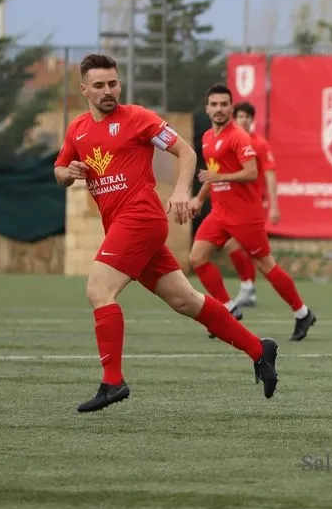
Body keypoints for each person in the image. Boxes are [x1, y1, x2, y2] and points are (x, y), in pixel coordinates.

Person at [54, 55, 279, 413]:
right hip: (123, 227)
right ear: (84, 90)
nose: (108, 90)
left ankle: (112, 382)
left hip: (140, 219)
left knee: (99, 289)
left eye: (113, 83)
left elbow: (185, 151)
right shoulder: (78, 129)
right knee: (186, 301)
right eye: (99, 85)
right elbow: (60, 168)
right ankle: (258, 349)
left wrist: (178, 192)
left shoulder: (138, 118)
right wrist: (68, 173)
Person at [188, 85, 317, 342]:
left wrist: (219, 177)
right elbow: (213, 173)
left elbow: (251, 173)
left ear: (231, 108)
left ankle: (302, 313)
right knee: (197, 258)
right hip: (220, 212)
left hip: (245, 214)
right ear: (207, 108)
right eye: (214, 104)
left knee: (265, 265)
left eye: (224, 104)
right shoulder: (207, 138)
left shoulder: (239, 137)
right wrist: (199, 198)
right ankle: (227, 309)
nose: (219, 109)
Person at [222, 101, 281, 308]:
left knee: (238, 247)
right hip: (233, 205)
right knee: (246, 252)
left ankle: (248, 287)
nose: (243, 120)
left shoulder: (260, 144)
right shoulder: (229, 141)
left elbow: (270, 174)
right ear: (234, 118)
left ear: (251, 120)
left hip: (254, 205)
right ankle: (249, 289)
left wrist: (274, 205)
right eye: (240, 116)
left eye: (247, 117)